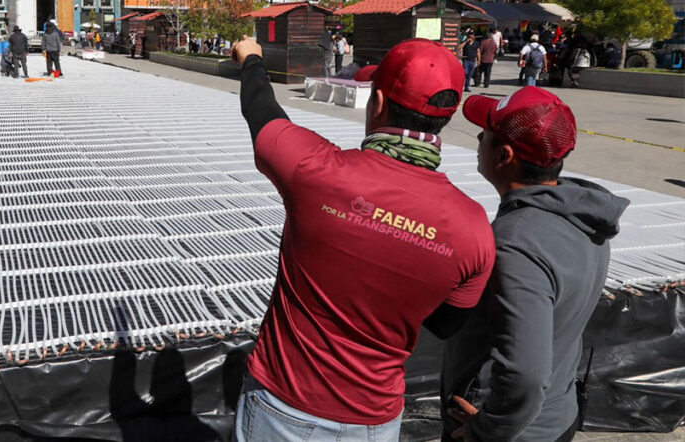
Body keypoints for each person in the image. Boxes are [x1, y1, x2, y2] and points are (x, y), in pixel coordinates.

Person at [229, 36, 495, 442]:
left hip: (282, 407)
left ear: (380, 102)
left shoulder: (314, 170)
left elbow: (261, 111)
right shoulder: (475, 229)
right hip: (374, 422)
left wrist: (251, 60)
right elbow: (444, 324)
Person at [442, 87, 629, 442]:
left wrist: (487, 431)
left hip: (514, 432)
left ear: (504, 156)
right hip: (556, 416)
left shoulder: (517, 242)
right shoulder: (584, 214)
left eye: (485, 133)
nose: (479, 138)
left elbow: (525, 374)